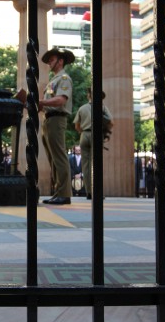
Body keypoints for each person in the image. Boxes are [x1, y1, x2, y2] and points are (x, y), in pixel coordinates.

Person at [39, 47, 74, 205]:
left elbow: (61, 100)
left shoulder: (64, 78)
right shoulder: (53, 80)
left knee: (59, 157)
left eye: (52, 60)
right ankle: (58, 192)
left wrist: (41, 102)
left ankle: (64, 194)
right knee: (53, 158)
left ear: (60, 61)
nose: (49, 63)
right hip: (49, 119)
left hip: (57, 119)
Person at [73, 88, 112, 200]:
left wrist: (84, 132)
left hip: (84, 135)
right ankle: (97, 192)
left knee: (85, 165)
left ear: (88, 96)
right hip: (96, 134)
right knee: (96, 163)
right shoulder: (103, 108)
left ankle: (89, 192)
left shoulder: (82, 108)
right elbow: (111, 122)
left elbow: (77, 126)